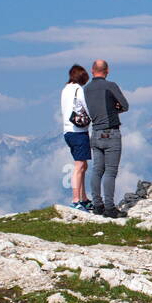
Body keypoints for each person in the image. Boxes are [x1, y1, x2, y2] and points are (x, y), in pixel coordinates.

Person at [83, 58, 130, 217]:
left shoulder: (86, 89)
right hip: (111, 133)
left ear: (92, 70)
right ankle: (110, 208)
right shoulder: (111, 86)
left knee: (97, 170)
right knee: (110, 172)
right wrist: (115, 109)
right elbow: (125, 105)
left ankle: (97, 205)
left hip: (95, 133)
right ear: (107, 70)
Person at [60, 64, 93, 212]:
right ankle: (76, 200)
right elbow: (86, 106)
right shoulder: (79, 89)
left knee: (82, 166)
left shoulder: (65, 89)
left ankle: (83, 198)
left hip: (67, 131)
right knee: (79, 167)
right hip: (78, 131)